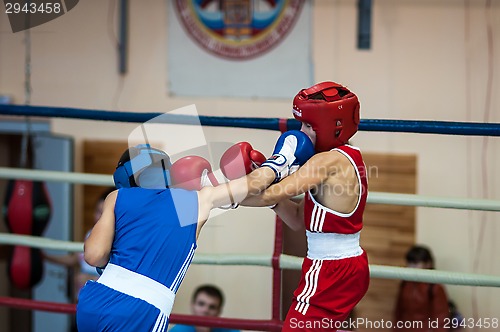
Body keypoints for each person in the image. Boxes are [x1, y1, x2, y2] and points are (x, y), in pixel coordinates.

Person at [76, 134, 314, 332]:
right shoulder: (198, 200)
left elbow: (94, 255)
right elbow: (250, 186)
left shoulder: (117, 197)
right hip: (140, 309)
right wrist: (281, 161)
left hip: (94, 301)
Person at [241, 81, 370, 331]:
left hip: (330, 268)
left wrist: (218, 193)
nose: (301, 132)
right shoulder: (349, 155)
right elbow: (299, 219)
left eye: (308, 125)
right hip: (346, 266)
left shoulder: (327, 161)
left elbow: (268, 195)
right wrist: (261, 193)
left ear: (334, 126)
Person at [43, 187, 114, 331]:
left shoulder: (117, 241)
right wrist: (46, 257)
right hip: (83, 306)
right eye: (97, 212)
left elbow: (120, 277)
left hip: (103, 310)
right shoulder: (91, 235)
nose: (98, 217)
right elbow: (76, 259)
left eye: (103, 212)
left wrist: (91, 279)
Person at [393, 245, 450, 331]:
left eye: (415, 263)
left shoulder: (435, 287)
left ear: (428, 264)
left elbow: (441, 319)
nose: (411, 267)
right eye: (410, 263)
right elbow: (399, 312)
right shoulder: (405, 283)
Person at [169, 284, 240, 332]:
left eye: (212, 307)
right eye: (201, 304)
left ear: (219, 311)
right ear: (192, 305)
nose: (205, 310)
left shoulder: (230, 330)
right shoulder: (178, 330)